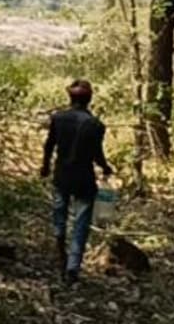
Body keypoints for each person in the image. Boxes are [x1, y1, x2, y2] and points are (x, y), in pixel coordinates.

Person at [41, 79, 113, 284]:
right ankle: (73, 267)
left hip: (61, 175)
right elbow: (97, 154)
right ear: (89, 99)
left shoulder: (58, 118)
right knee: (81, 223)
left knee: (59, 211)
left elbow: (49, 145)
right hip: (84, 178)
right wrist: (106, 167)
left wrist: (45, 166)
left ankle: (59, 242)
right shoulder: (96, 125)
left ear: (70, 97)